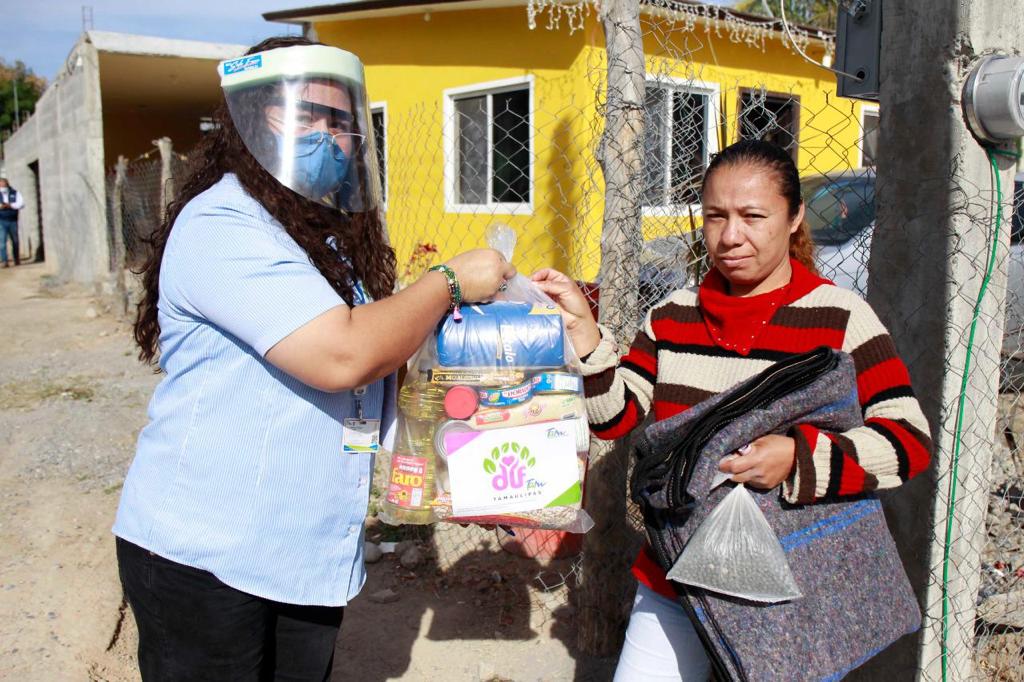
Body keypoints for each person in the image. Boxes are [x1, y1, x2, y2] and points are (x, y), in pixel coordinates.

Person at [112, 37, 514, 681]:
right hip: (210, 553)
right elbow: (343, 354)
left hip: (302, 547)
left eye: (341, 120)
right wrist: (447, 282)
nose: (328, 136)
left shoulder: (321, 237)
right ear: (248, 124)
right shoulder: (224, 224)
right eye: (305, 116)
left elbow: (380, 362)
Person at [533, 139, 932, 681]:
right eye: (716, 216)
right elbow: (615, 417)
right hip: (677, 578)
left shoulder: (841, 319)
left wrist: (798, 458)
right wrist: (585, 339)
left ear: (793, 219)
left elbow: (907, 442)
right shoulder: (672, 317)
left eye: (753, 216)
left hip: (794, 591)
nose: (731, 236)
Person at [0, 177, 24, 267]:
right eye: (1, 184)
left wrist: (10, 205)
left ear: (7, 184)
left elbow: (21, 204)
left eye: (3, 184)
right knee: (2, 242)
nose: (2, 186)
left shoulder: (15, 193)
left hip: (13, 220)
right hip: (1, 220)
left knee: (15, 241)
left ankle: (16, 259)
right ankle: (4, 261)